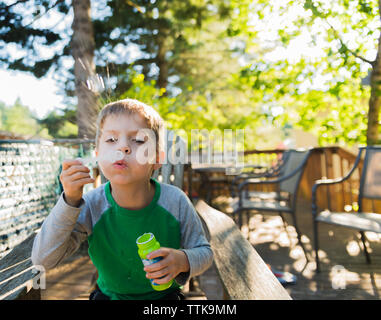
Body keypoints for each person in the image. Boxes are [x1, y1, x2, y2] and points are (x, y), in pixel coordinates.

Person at [31, 98, 213, 300]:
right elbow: (43, 259)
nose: (123, 147)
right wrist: (70, 200)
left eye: (138, 140)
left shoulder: (175, 201)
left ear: (158, 159)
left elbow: (204, 253)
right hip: (109, 297)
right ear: (98, 154)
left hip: (164, 299)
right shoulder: (91, 205)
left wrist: (183, 260)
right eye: (111, 140)